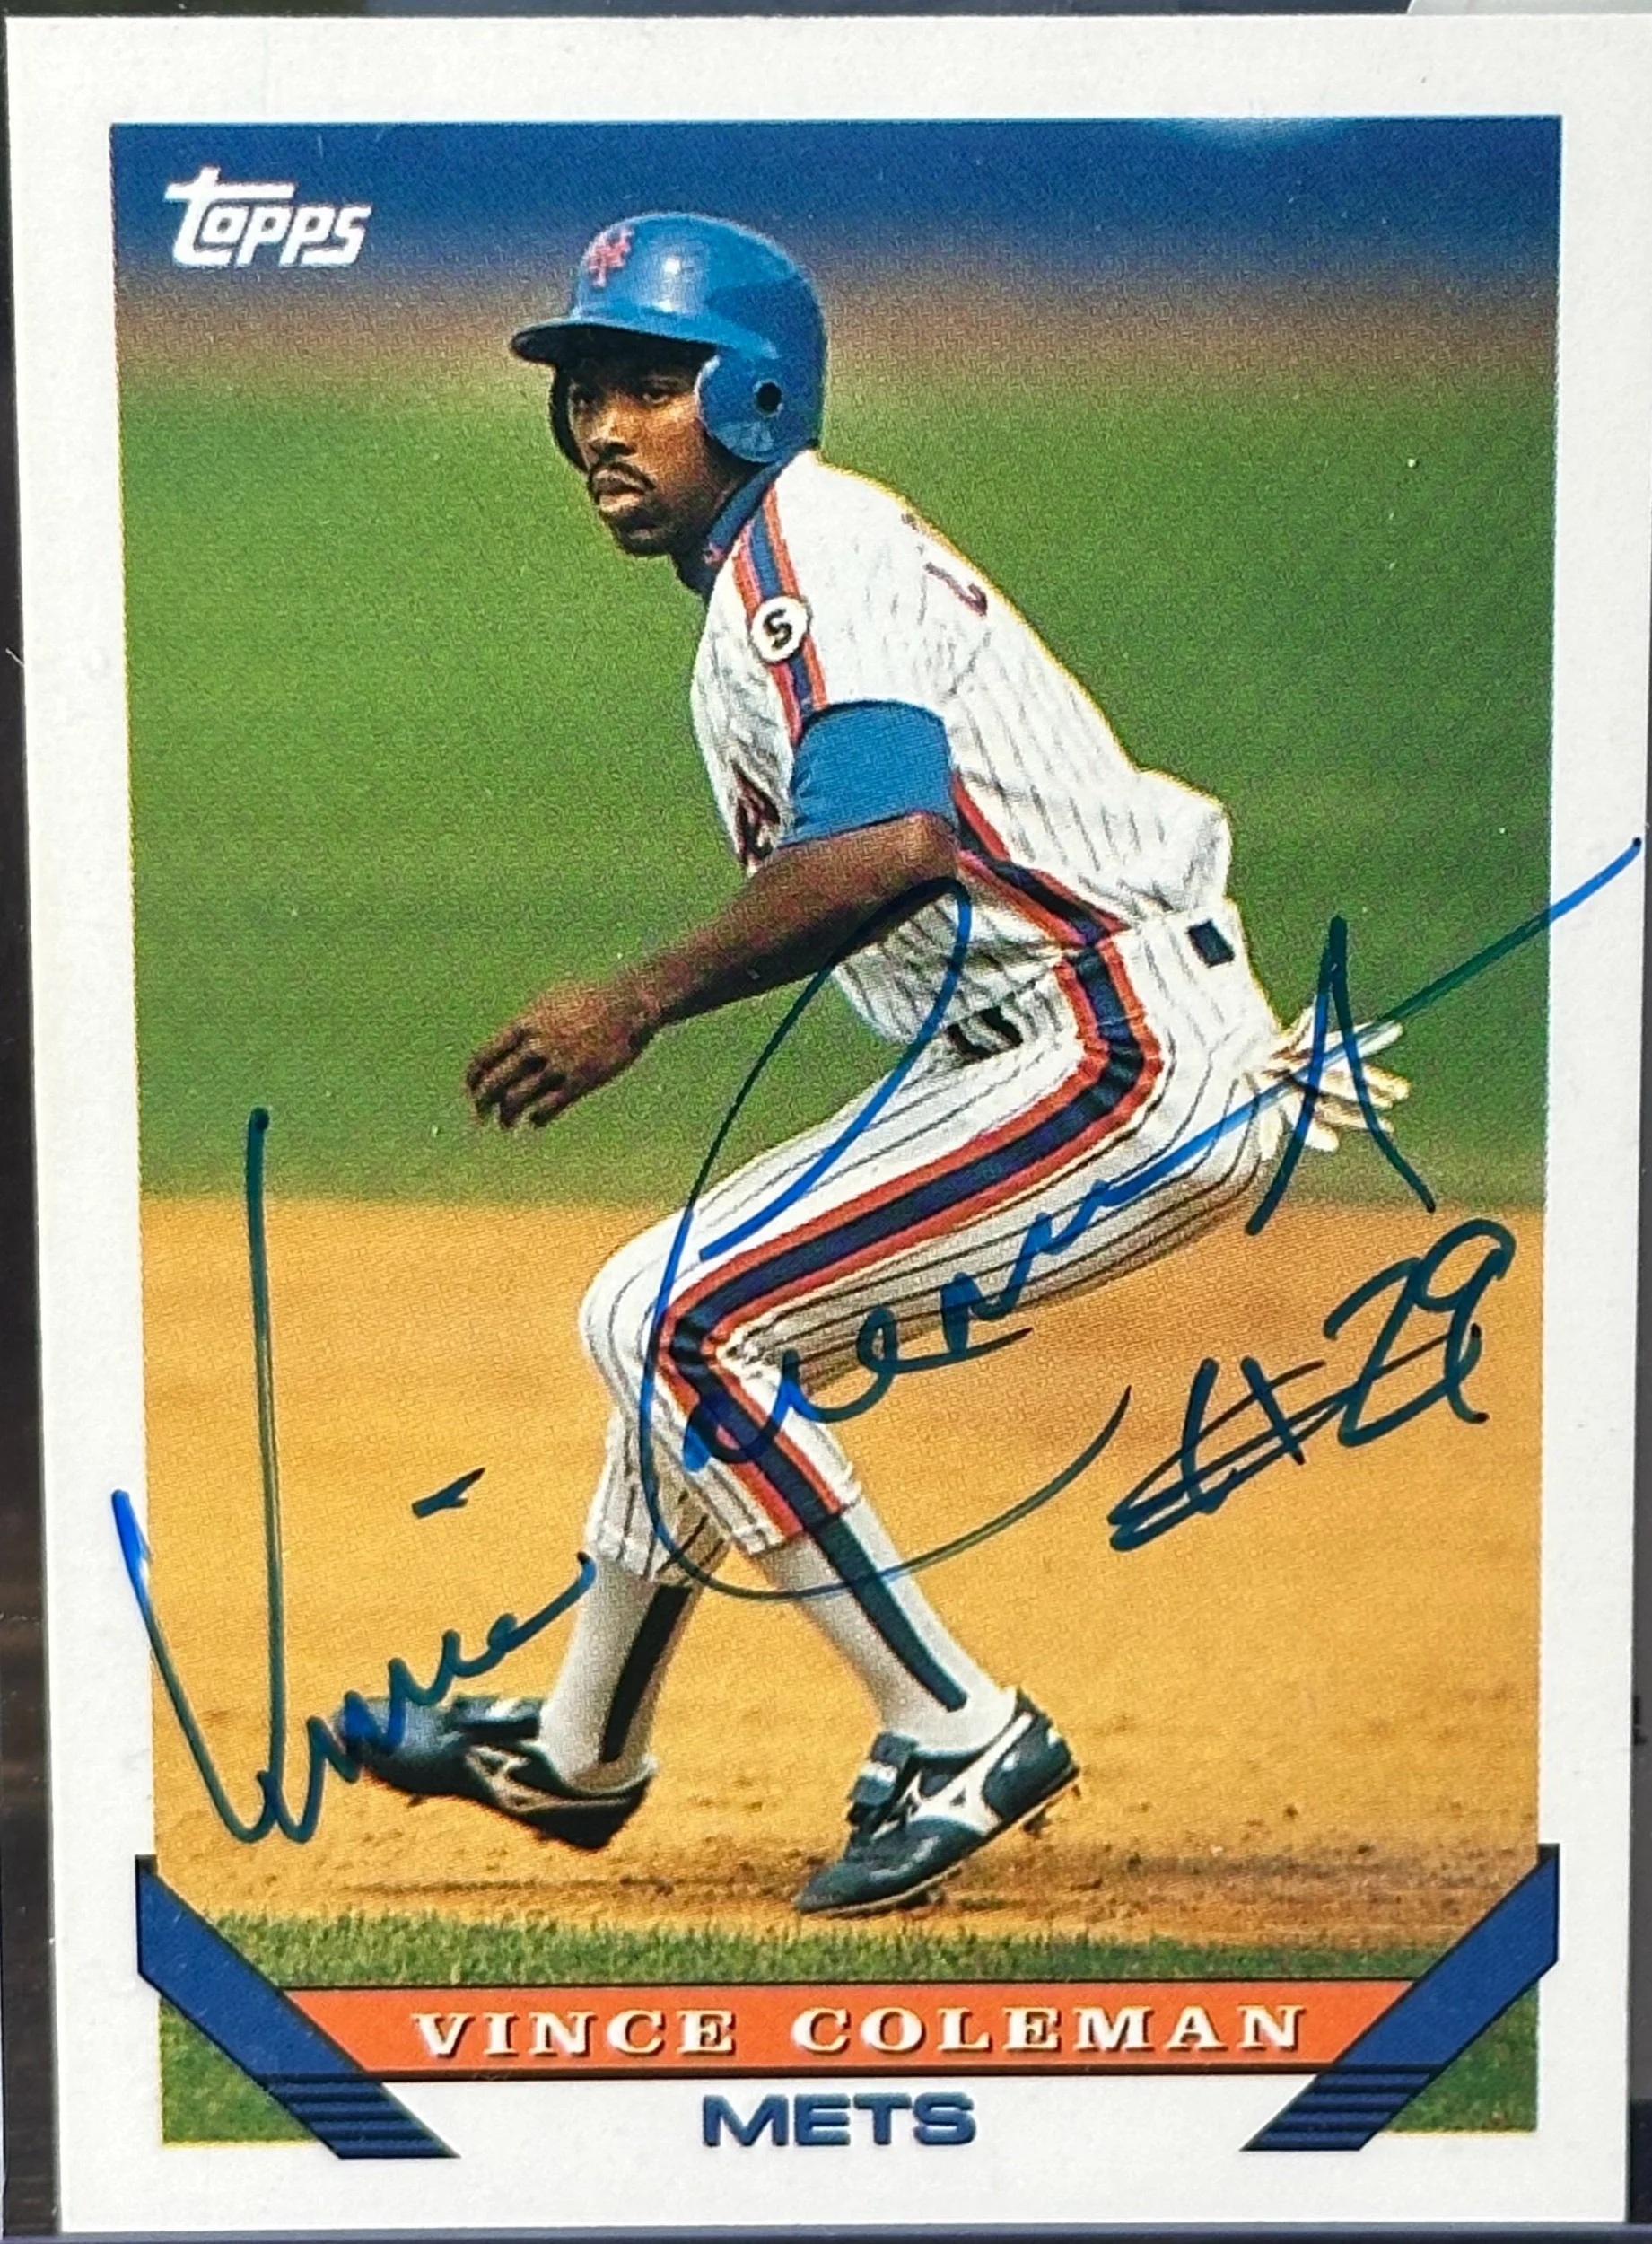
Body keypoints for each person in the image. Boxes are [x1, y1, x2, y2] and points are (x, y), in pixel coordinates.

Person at [340, 213, 1403, 1916]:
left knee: (671, 1317)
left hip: (1117, 1049)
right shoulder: (775, 566)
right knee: (684, 1322)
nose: (603, 429)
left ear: (753, 396)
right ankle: (581, 1746)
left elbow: (891, 846)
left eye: (648, 386)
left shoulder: (809, 548)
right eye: (585, 395)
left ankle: (958, 1726)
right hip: (1047, 1044)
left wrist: (636, 1000)